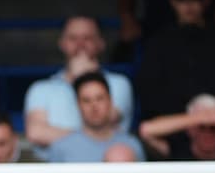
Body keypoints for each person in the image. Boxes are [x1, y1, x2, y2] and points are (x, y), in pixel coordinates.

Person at [23, 15, 135, 160]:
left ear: (101, 43)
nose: (80, 44)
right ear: (62, 43)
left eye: (87, 38)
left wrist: (83, 77)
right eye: (73, 38)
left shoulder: (119, 83)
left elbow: (101, 121)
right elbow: (36, 133)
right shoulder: (40, 89)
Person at [46, 72, 145, 163]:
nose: (94, 106)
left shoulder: (132, 145)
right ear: (78, 105)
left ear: (110, 101)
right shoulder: (61, 148)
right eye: (86, 100)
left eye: (99, 98)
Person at [138, 93, 215, 161]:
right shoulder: (179, 147)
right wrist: (199, 118)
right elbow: (146, 130)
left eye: (214, 127)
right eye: (202, 126)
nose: (208, 133)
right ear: (189, 129)